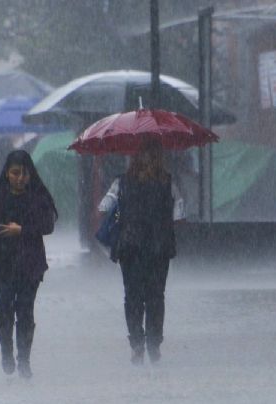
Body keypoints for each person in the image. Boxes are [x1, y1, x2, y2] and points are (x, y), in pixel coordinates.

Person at [98, 139, 184, 365]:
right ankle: (153, 344)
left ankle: (138, 343)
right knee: (155, 296)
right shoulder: (168, 183)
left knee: (134, 296)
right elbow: (179, 214)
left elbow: (104, 207)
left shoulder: (122, 182)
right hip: (158, 246)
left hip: (131, 246)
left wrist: (123, 209)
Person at [0, 150, 58, 378]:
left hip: (29, 263)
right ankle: (6, 351)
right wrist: (4, 230)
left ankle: (24, 359)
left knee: (25, 312)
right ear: (7, 173)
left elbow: (48, 225)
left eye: (24, 173)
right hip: (2, 263)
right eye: (15, 173)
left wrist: (22, 231)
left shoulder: (37, 197)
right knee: (3, 312)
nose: (20, 178)